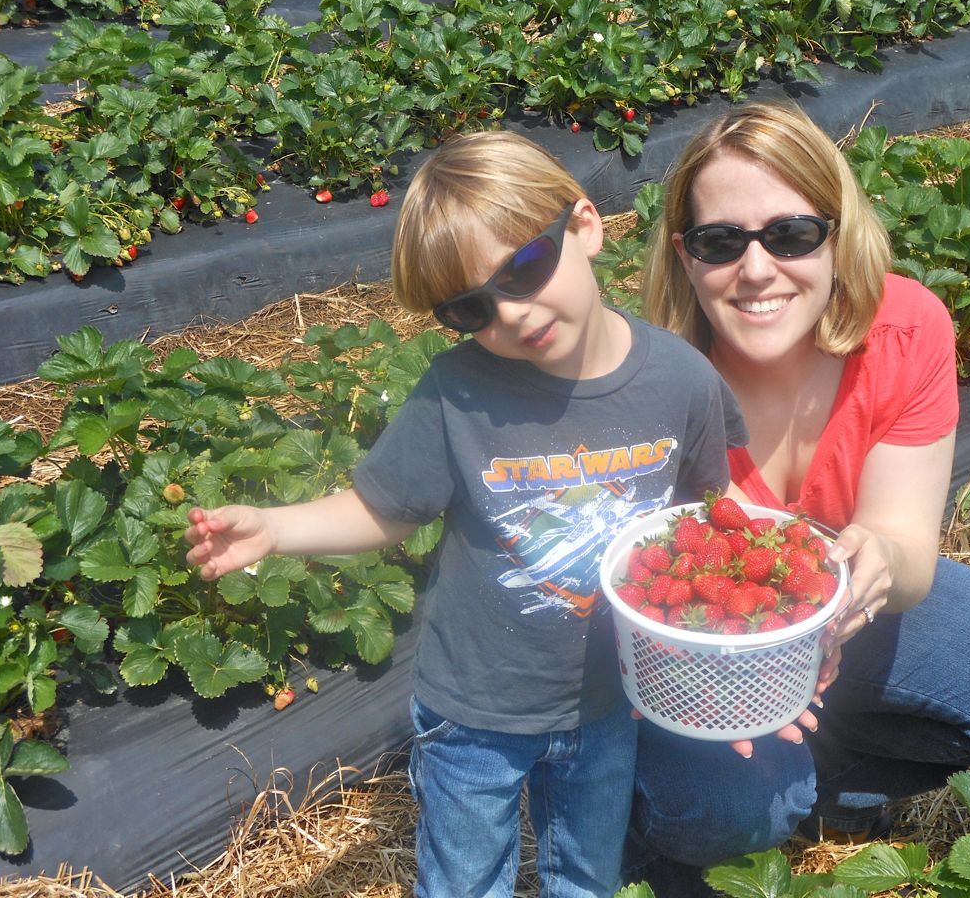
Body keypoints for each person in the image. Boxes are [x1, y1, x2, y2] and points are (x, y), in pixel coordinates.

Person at [183, 131, 747, 898]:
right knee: (462, 879)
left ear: (584, 225)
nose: (512, 313)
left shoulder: (680, 377)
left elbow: (707, 519)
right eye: (472, 307)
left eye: (523, 268)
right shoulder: (457, 394)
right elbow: (381, 509)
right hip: (474, 707)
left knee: (586, 874)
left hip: (609, 698)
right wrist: (278, 529)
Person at [628, 100, 970, 893]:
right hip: (703, 661)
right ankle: (696, 818)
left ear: (837, 234)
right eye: (720, 242)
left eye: (791, 234)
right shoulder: (650, 378)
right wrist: (728, 690)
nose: (756, 270)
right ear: (684, 256)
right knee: (734, 807)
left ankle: (826, 783)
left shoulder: (906, 328)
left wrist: (876, 558)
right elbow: (646, 600)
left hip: (839, 609)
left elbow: (908, 551)